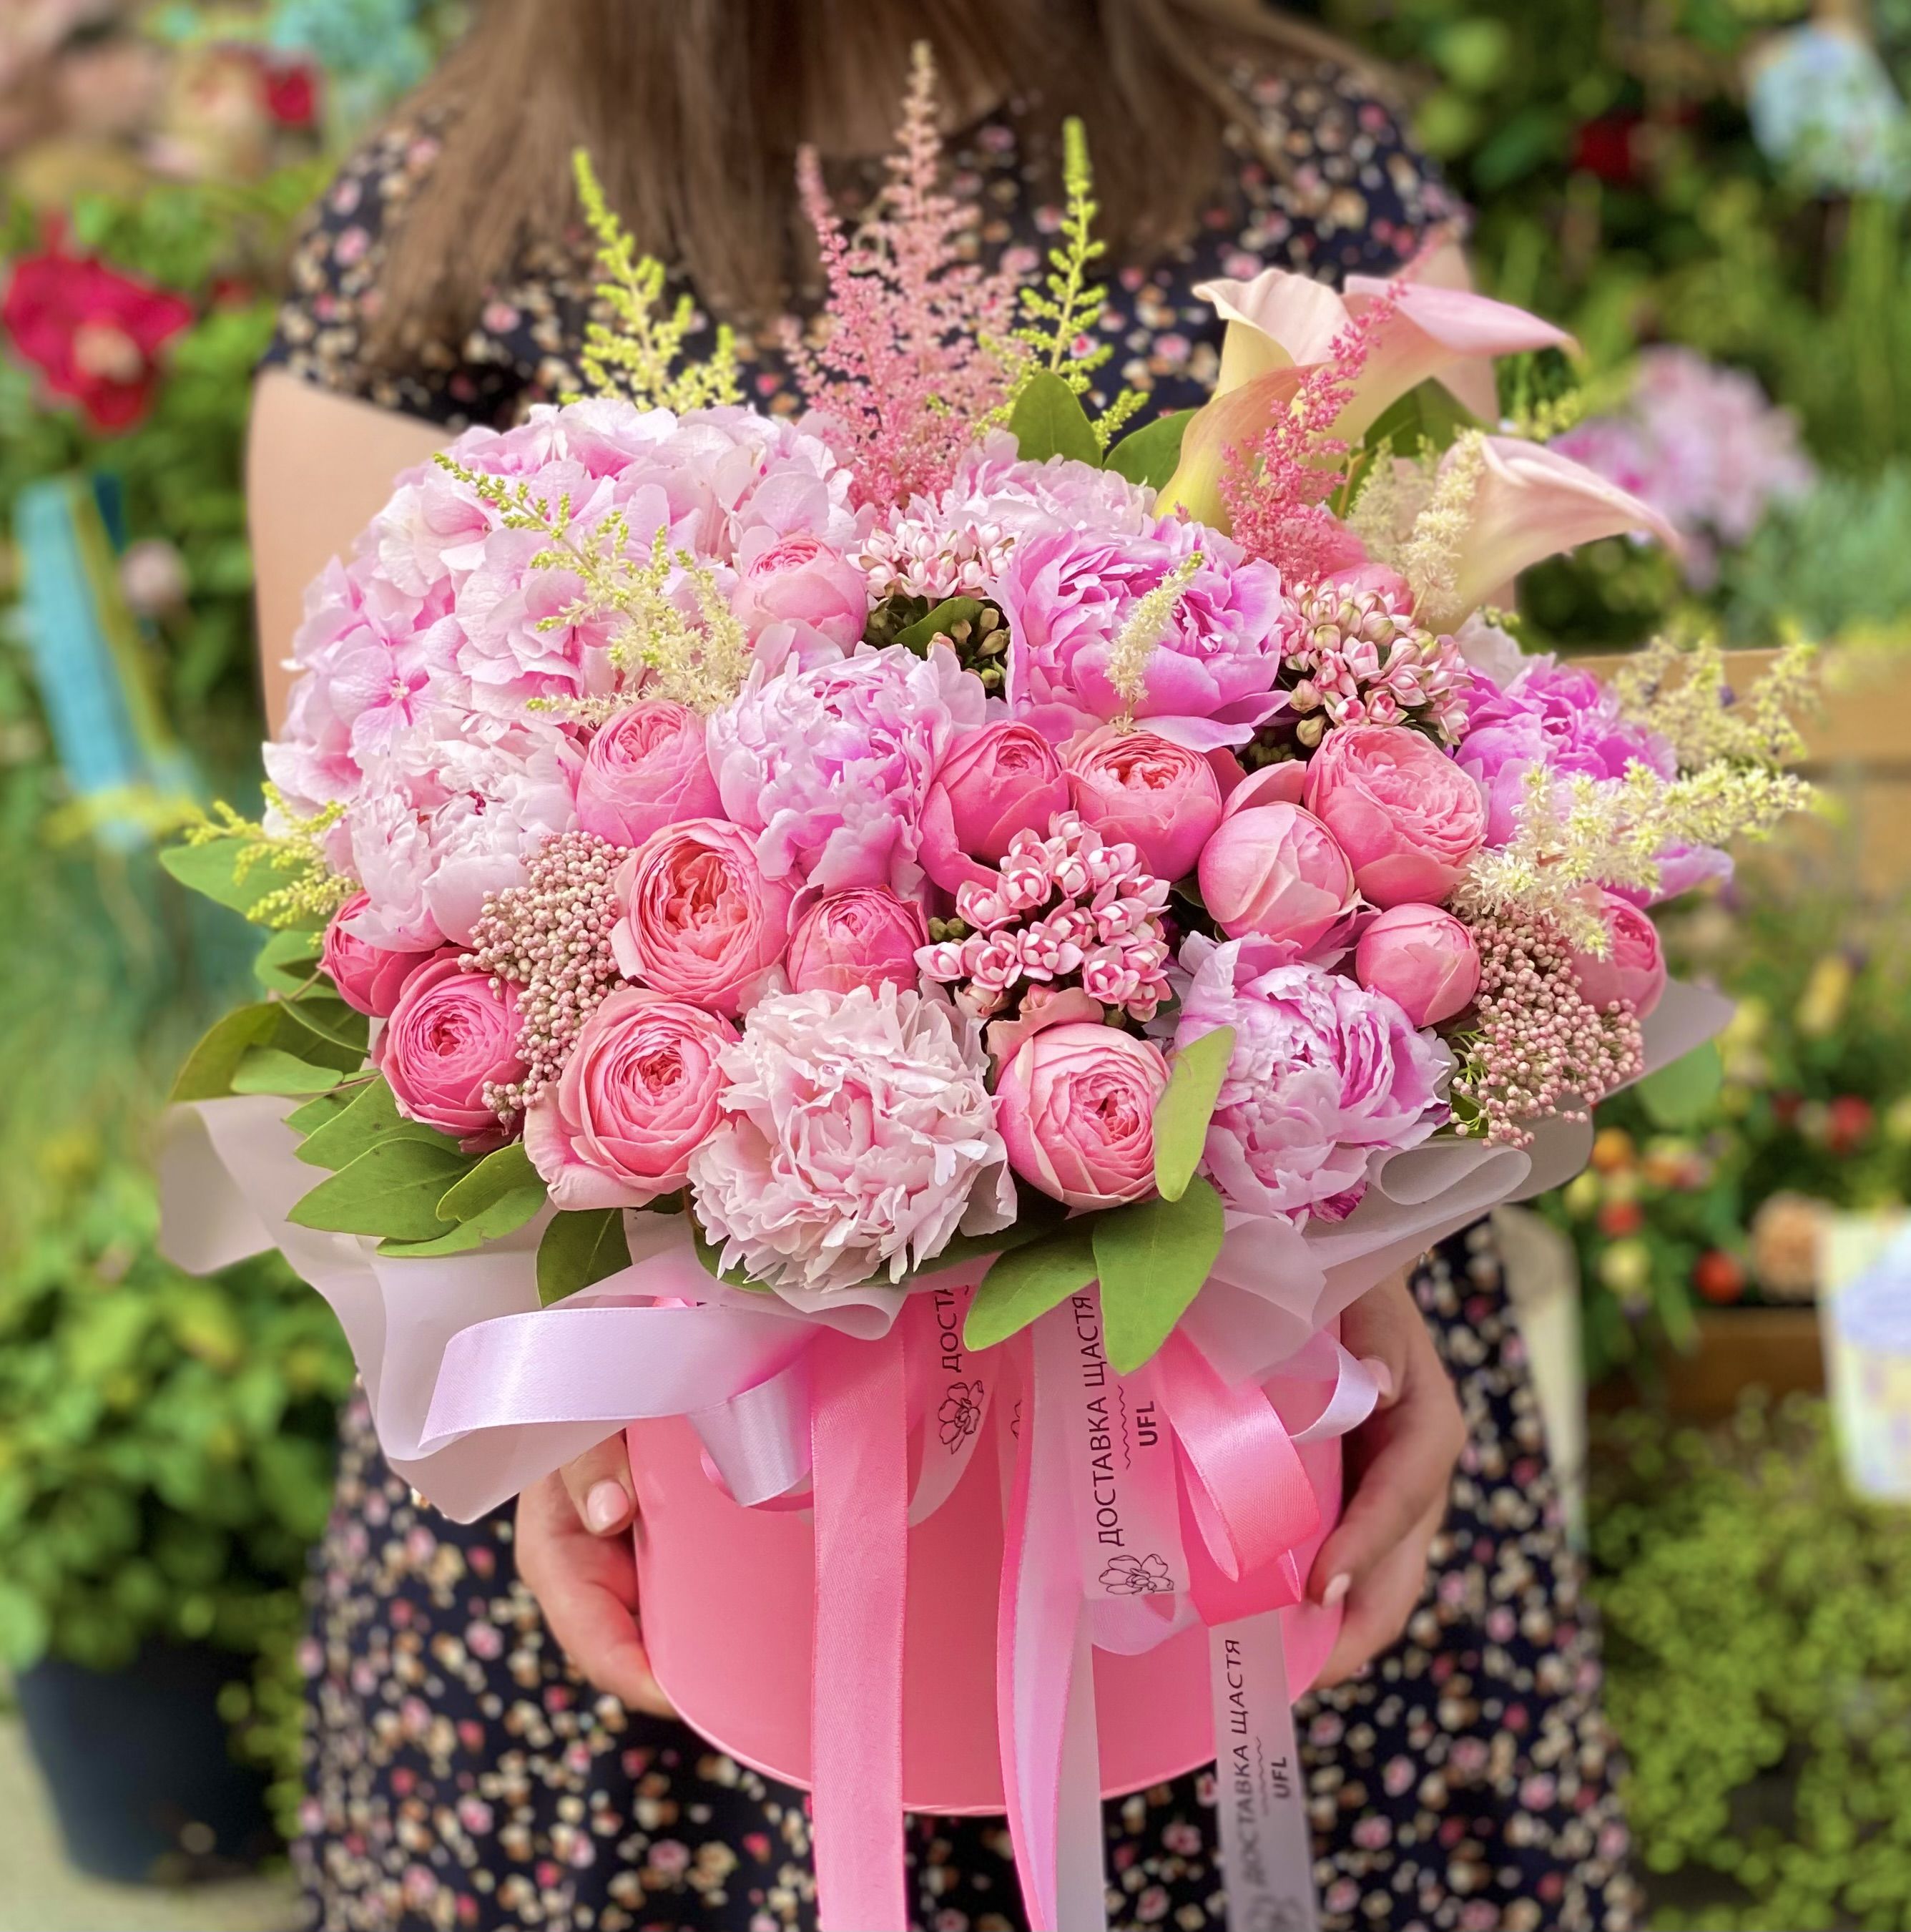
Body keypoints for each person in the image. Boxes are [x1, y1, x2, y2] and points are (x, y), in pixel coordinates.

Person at [250, 4, 1639, 1926]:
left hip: (1243, 1439)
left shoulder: (1299, 148)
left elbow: (1450, 790)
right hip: (683, 1507)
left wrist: (1357, 1272)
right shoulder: (437, 220)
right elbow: (363, 891)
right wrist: (565, 1410)